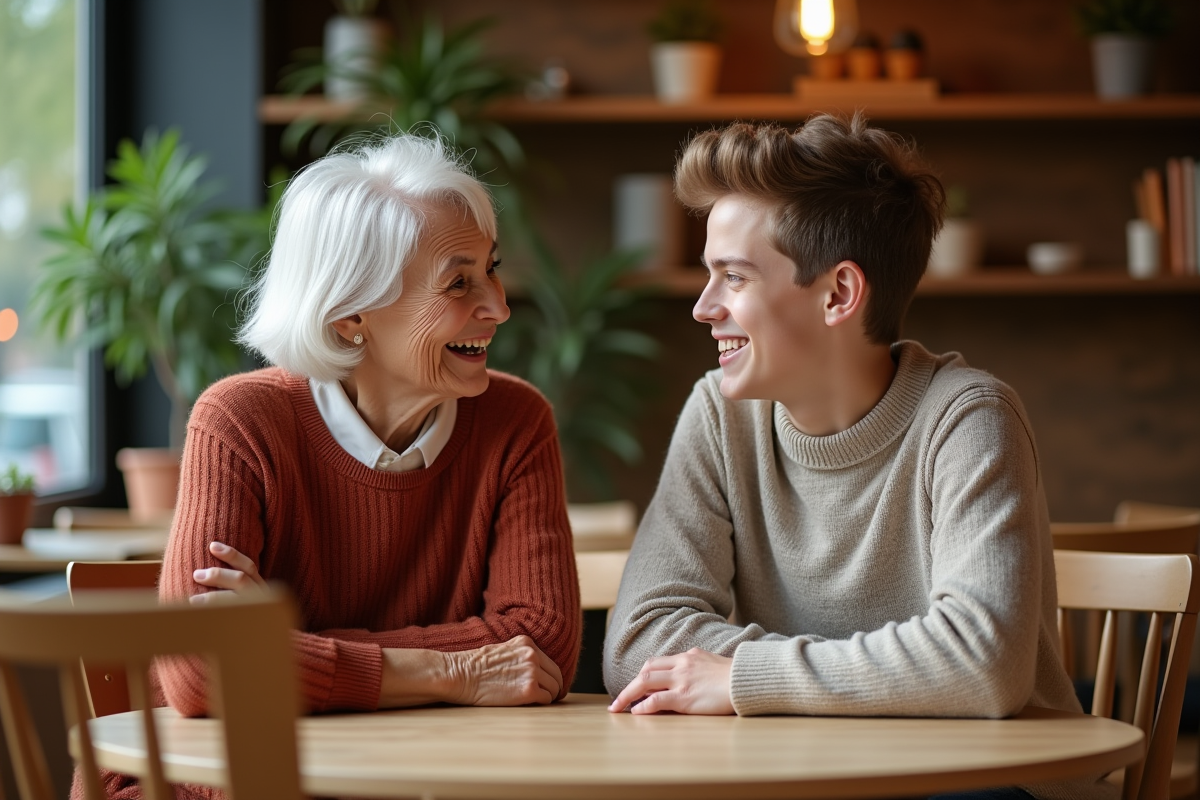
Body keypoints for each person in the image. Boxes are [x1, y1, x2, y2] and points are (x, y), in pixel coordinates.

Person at [603, 115, 1100, 800]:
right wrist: (861, 677)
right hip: (804, 776)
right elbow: (638, 642)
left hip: (982, 784)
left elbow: (982, 663)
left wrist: (742, 678)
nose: (703, 307)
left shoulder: (967, 419)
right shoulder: (719, 414)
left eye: (734, 278)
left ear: (838, 294)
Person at [78, 131, 582, 800]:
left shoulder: (515, 423)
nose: (498, 305)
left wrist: (282, 645)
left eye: (490, 268)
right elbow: (200, 669)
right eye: (458, 282)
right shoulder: (240, 422)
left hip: (398, 778)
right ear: (349, 319)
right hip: (208, 784)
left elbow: (536, 652)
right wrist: (447, 673)